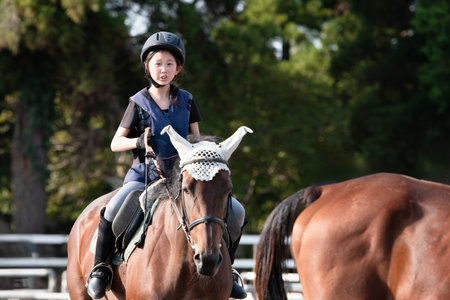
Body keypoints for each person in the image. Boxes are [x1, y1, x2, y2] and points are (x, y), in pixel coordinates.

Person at [86, 31, 247, 299]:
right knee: (113, 208)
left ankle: (228, 270)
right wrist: (138, 141)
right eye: (158, 63)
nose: (164, 69)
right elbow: (116, 143)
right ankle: (100, 269)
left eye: (169, 64)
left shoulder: (187, 100)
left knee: (237, 211)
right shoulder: (137, 103)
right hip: (145, 177)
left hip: (184, 177)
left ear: (178, 68)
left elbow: (195, 138)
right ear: (147, 67)